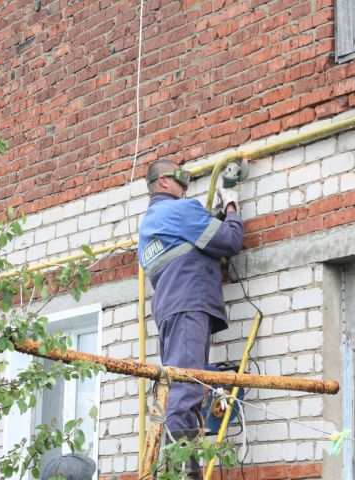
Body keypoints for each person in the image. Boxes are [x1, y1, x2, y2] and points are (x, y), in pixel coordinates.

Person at [138, 159, 244, 474]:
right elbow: (229, 241)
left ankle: (181, 465)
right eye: (181, 177)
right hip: (187, 305)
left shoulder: (149, 224)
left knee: (181, 386)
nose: (186, 184)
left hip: (172, 309)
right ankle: (181, 471)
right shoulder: (180, 211)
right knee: (185, 388)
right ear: (163, 183)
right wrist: (232, 204)